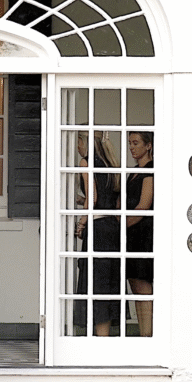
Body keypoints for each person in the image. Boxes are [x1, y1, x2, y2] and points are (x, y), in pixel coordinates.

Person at [74, 131, 121, 337]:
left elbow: (92, 198)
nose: (76, 146)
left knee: (95, 283)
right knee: (108, 284)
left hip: (98, 229)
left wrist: (81, 223)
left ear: (85, 142)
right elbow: (111, 198)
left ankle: (98, 341)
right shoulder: (111, 163)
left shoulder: (86, 162)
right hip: (112, 227)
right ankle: (104, 337)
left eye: (78, 141)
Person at [126, 131, 154, 337]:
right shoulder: (134, 171)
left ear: (148, 146)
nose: (131, 147)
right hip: (131, 233)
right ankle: (143, 333)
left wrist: (119, 224)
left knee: (143, 286)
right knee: (135, 284)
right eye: (130, 143)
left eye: (136, 143)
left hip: (144, 233)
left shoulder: (150, 170)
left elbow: (143, 206)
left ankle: (148, 334)